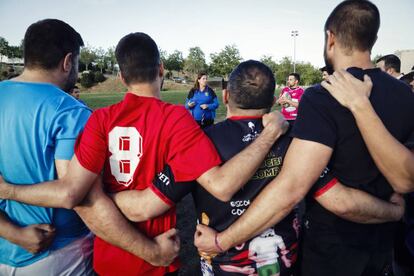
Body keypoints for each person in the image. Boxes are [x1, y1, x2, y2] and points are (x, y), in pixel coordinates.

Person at [0, 33, 287, 275]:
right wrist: (270, 133)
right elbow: (221, 185)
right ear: (161, 69)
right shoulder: (176, 118)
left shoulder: (99, 118)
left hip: (108, 255)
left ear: (122, 77)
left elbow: (75, 192)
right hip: (157, 256)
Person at [107, 60, 402, 276]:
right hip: (285, 265)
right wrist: (393, 210)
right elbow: (341, 200)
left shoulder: (199, 141)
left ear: (225, 97)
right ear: (274, 100)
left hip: (223, 265)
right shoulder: (295, 139)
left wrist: (97, 198)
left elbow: (144, 207)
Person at [193, 1, 414, 275]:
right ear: (373, 39)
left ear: (330, 38)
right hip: (385, 244)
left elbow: (293, 189)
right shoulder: (406, 95)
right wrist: (394, 211)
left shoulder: (323, 96)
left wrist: (221, 241)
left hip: (333, 247)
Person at [0, 19, 94, 275]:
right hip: (59, 251)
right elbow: (69, 193)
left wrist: (14, 233)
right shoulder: (71, 111)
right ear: (67, 62)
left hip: (5, 247)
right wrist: (8, 191)